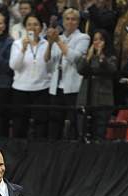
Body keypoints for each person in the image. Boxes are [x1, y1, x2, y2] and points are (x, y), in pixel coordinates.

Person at [45, 8, 90, 139]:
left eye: (73, 19)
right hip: (56, 85)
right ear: (63, 21)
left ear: (78, 22)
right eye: (67, 19)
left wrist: (58, 41)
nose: (70, 22)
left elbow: (74, 57)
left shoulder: (83, 37)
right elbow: (48, 62)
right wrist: (49, 44)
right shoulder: (59, 37)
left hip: (72, 86)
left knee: (73, 120)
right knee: (54, 120)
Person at [9, 12, 51, 138]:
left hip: (42, 88)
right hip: (20, 89)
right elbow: (14, 66)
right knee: (19, 124)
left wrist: (50, 46)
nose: (32, 27)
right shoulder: (17, 44)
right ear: (25, 27)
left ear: (41, 27)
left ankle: (39, 154)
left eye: (36, 24)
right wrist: (23, 48)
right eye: (29, 25)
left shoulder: (47, 44)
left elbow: (50, 66)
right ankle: (18, 154)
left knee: (41, 125)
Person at [76, 29, 117, 139]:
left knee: (99, 133)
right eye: (95, 40)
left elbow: (112, 70)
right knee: (83, 132)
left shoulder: (111, 57)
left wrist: (100, 57)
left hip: (102, 99)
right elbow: (80, 69)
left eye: (101, 40)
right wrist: (88, 57)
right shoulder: (87, 56)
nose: (97, 42)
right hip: (86, 98)